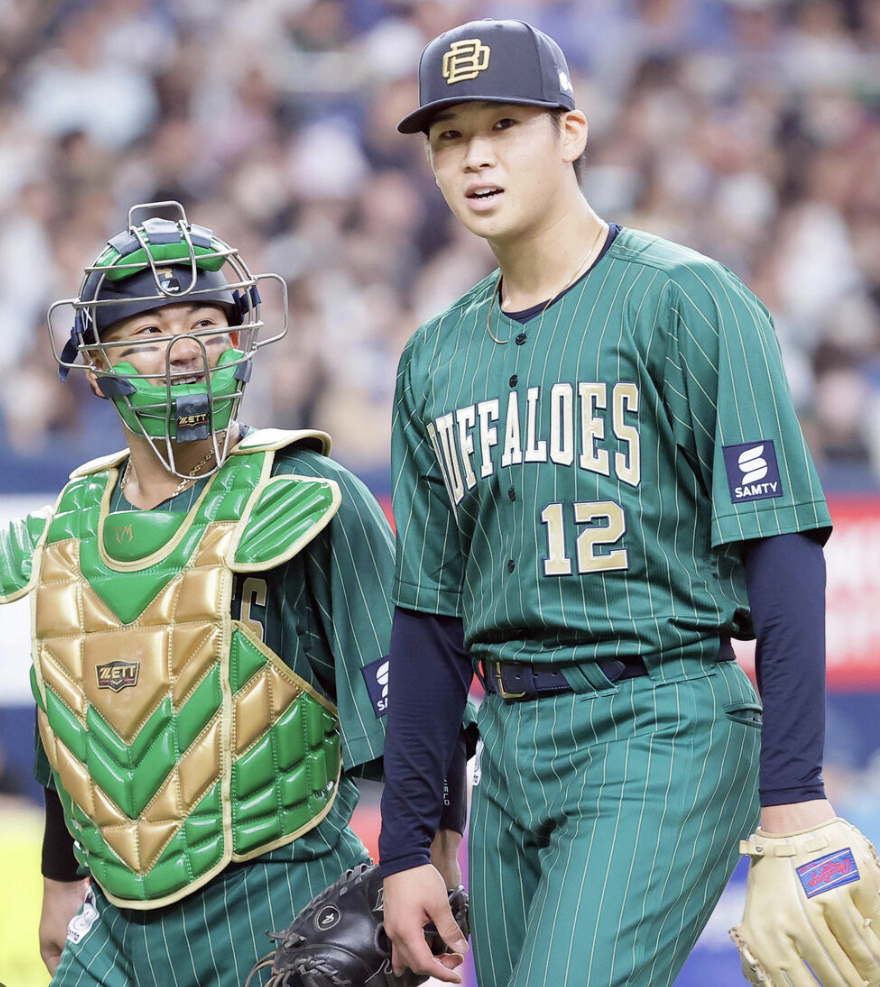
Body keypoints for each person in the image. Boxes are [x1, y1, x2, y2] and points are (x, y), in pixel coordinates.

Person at [377, 18, 880, 987]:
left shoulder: (686, 299)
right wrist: (406, 845)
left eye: (504, 125)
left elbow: (781, 549)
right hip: (509, 746)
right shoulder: (432, 357)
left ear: (571, 131)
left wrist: (794, 799)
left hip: (661, 718)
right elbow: (430, 619)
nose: (475, 156)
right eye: (449, 136)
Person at [0, 202, 464, 986]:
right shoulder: (68, 523)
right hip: (113, 922)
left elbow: (420, 697)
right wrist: (58, 877)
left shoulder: (308, 495)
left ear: (240, 340)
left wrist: (428, 864)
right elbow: (69, 722)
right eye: (150, 331)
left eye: (206, 325)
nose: (184, 349)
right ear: (97, 365)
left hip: (279, 900)